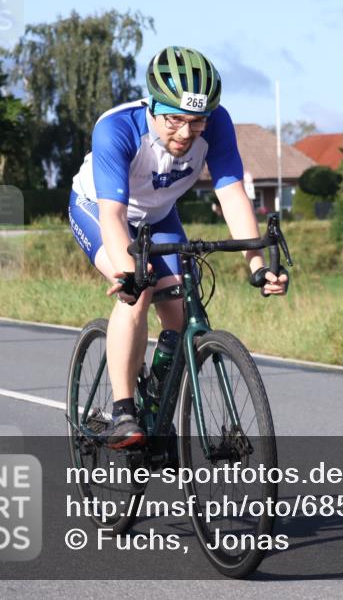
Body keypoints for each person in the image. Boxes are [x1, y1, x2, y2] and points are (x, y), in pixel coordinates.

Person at [68, 46, 288, 448]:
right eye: (175, 120)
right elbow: (114, 218)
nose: (186, 134)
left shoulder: (218, 125)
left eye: (197, 122)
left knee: (181, 310)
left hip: (159, 217)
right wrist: (127, 272)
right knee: (139, 291)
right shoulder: (117, 129)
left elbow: (233, 194)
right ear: (152, 105)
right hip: (100, 211)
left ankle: (157, 394)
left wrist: (258, 264)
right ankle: (122, 412)